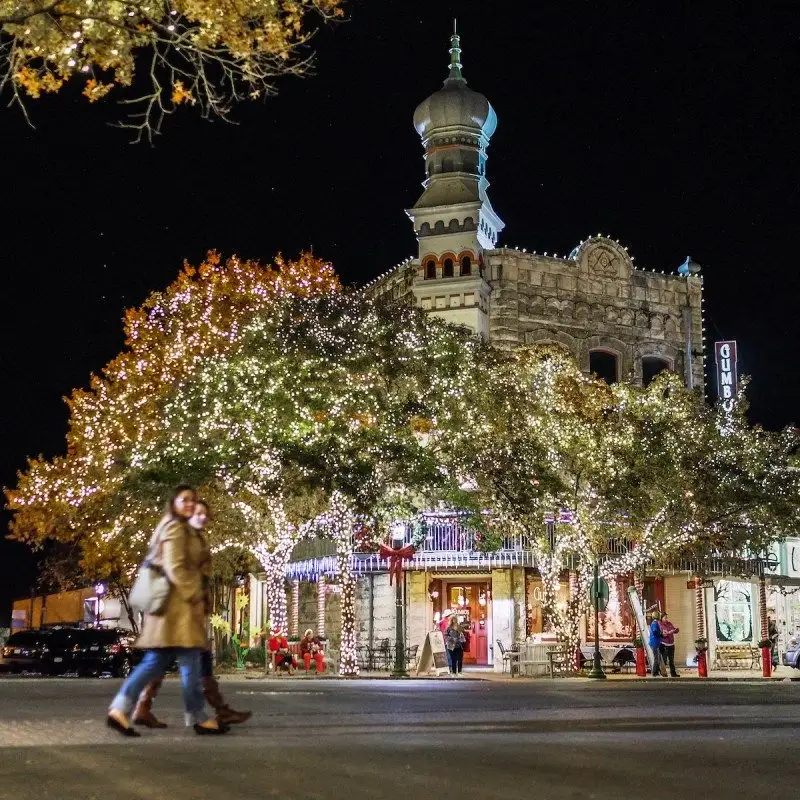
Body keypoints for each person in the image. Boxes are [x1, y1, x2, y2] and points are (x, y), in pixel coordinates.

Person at [107, 485, 227, 737]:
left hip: (174, 612)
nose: (190, 504)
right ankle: (196, 717)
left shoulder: (180, 528)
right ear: (173, 503)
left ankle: (120, 709)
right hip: (176, 611)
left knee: (162, 663)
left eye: (193, 500)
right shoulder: (175, 528)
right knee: (185, 664)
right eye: (184, 500)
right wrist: (194, 593)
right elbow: (175, 568)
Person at [131, 499, 251, 728]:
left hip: (185, 613)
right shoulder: (180, 539)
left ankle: (145, 706)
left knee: (178, 660)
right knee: (177, 659)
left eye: (205, 514)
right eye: (198, 513)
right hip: (178, 613)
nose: (202, 517)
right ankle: (208, 712)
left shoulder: (194, 540)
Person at [658, 611, 680, 678]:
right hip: (664, 644)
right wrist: (667, 633)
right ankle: (663, 673)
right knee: (664, 660)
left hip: (671, 644)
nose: (666, 618)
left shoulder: (669, 623)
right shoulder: (660, 624)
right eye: (664, 617)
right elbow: (662, 634)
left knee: (671, 660)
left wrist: (675, 630)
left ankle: (673, 673)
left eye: (666, 617)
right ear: (661, 617)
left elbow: (673, 629)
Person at [648, 612, 663, 678]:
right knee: (656, 658)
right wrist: (661, 634)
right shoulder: (655, 623)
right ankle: (654, 672)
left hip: (655, 642)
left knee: (658, 658)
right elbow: (655, 632)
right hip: (655, 643)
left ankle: (656, 671)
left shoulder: (655, 623)